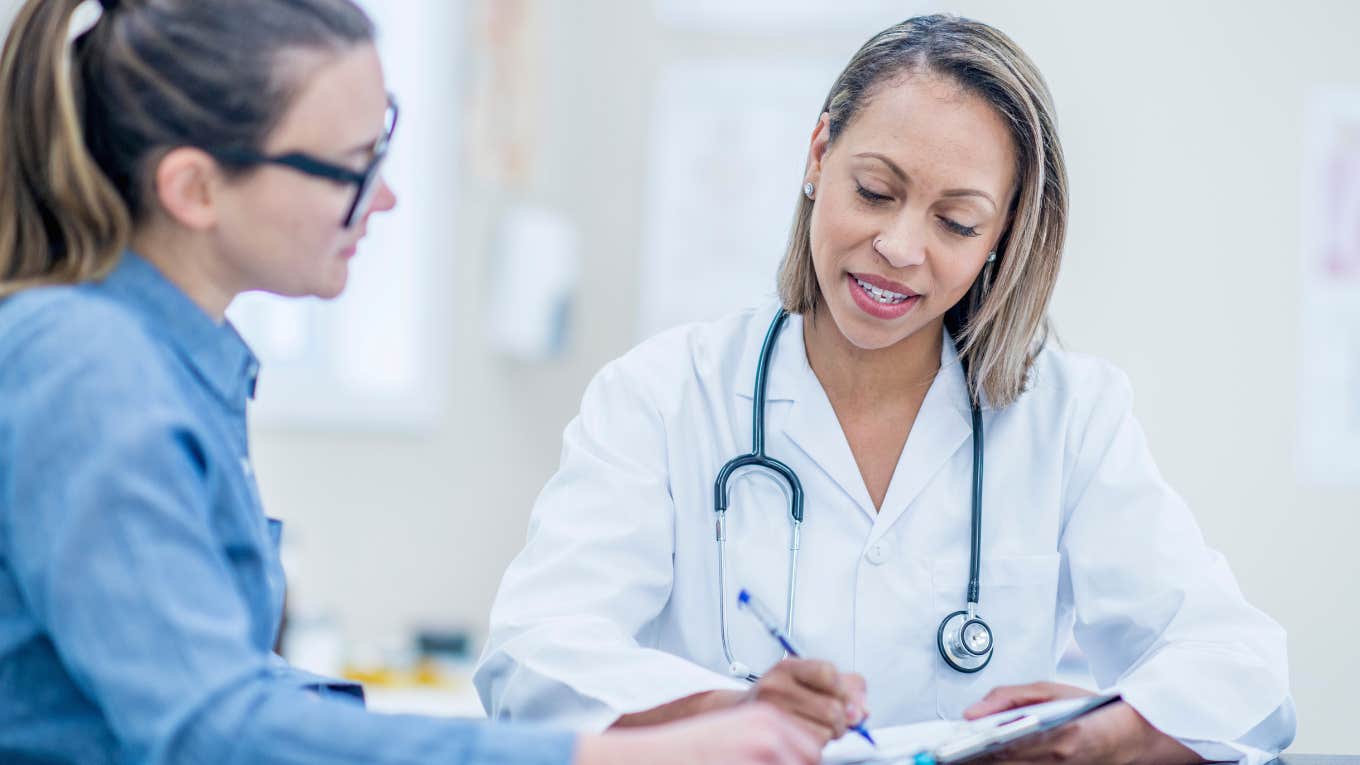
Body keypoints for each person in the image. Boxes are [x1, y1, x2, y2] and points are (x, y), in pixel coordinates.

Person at [0, 2, 822, 764]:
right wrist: (614, 757)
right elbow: (216, 726)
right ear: (195, 188)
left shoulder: (168, 359)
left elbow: (234, 689)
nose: (384, 198)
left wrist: (673, 715)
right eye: (352, 168)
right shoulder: (84, 367)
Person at [475, 14, 1295, 765]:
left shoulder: (1069, 419)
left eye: (957, 221)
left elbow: (1241, 666)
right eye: (875, 191)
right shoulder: (664, 397)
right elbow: (532, 656)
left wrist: (1110, 733)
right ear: (818, 155)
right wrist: (731, 710)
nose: (899, 246)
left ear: (1001, 237)